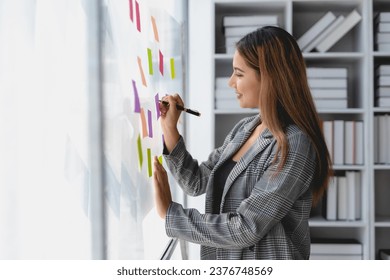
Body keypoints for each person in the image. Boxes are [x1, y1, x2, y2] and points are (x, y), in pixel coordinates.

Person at [152, 26, 332, 260]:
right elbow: (197, 182)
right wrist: (170, 129)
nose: (230, 83)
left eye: (238, 74)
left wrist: (171, 215)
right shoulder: (244, 129)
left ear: (269, 78)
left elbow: (247, 228)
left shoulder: (295, 144)